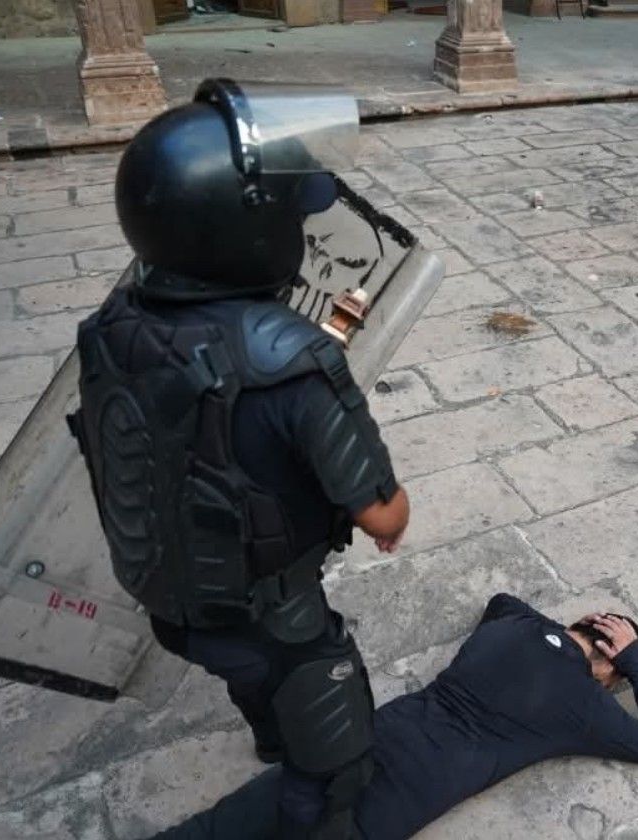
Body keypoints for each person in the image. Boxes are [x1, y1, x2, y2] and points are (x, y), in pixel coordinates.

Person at [68, 79, 410, 840]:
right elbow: (382, 511)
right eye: (291, 213)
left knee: (254, 681)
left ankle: (269, 731)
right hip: (272, 617)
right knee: (336, 763)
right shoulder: (293, 358)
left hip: (171, 602)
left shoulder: (111, 323)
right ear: (248, 231)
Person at [148, 593, 638, 840]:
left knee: (212, 829)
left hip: (343, 752)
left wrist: (553, 633)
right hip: (383, 812)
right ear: (608, 667)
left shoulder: (513, 624)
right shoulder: (583, 704)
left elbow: (499, 601)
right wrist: (635, 664)